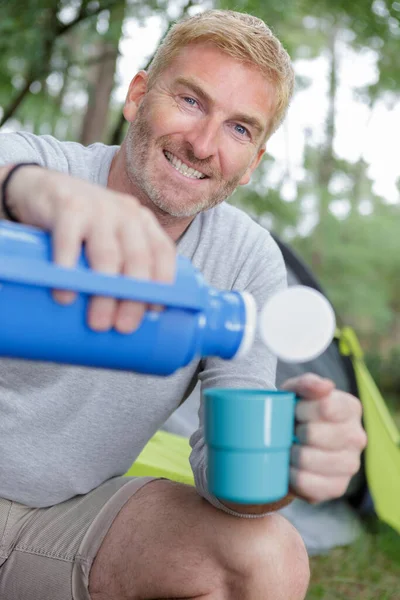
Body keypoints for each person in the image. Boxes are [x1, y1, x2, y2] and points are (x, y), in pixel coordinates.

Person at [0, 9, 366, 600]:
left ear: (254, 165)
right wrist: (24, 189)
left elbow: (231, 488)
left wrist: (281, 453)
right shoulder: (45, 168)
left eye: (240, 129)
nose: (203, 145)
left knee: (268, 556)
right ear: (138, 95)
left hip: (60, 529)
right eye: (191, 101)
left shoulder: (246, 262)